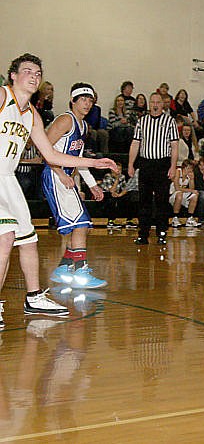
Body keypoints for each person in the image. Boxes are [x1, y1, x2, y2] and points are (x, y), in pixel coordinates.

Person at [0, 54, 116, 326]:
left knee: (27, 240)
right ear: (13, 76)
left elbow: (51, 155)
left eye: (38, 73)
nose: (34, 76)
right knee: (5, 237)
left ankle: (34, 296)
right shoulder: (3, 97)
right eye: (27, 71)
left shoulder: (31, 115)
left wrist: (93, 162)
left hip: (7, 179)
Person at [43, 82, 109, 289]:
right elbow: (44, 149)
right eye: (83, 99)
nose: (87, 104)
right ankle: (80, 271)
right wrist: (60, 172)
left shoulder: (84, 126)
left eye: (90, 100)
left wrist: (92, 185)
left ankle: (64, 268)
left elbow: (78, 161)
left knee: (81, 226)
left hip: (67, 176)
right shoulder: (65, 120)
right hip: (55, 175)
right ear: (73, 100)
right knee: (81, 223)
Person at [128, 91, 179, 245]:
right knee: (144, 201)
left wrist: (173, 166)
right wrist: (131, 164)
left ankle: (162, 232)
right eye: (152, 102)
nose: (155, 105)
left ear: (163, 104)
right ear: (149, 104)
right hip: (146, 164)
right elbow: (135, 143)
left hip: (162, 164)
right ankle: (143, 234)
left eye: (158, 102)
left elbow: (174, 146)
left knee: (162, 200)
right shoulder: (142, 121)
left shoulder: (170, 121)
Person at [170, 159, 200, 228]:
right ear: (184, 167)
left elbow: (192, 189)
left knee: (195, 195)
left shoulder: (189, 175)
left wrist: (192, 179)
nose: (189, 170)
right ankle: (175, 218)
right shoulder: (178, 172)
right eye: (188, 168)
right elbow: (177, 188)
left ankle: (190, 218)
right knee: (179, 194)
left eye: (191, 168)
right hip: (173, 194)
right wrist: (191, 190)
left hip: (182, 194)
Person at [100, 161, 130, 228]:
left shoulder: (122, 177)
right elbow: (111, 190)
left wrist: (120, 195)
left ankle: (129, 220)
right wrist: (116, 180)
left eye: (120, 170)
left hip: (116, 195)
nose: (118, 171)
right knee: (111, 200)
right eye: (117, 169)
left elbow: (125, 188)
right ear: (112, 169)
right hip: (106, 196)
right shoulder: (107, 176)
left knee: (129, 198)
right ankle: (110, 221)